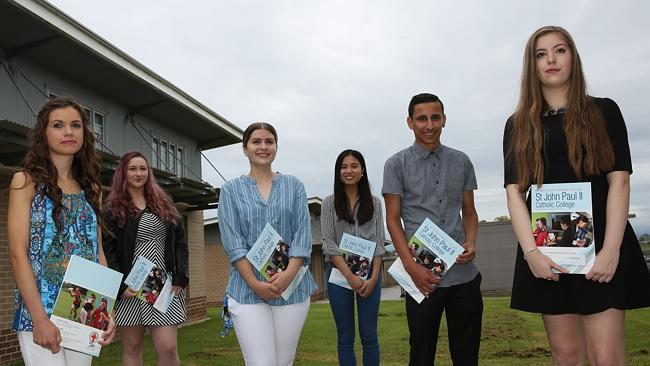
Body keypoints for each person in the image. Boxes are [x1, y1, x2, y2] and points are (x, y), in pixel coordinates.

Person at [503, 25, 650, 365]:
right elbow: (514, 191)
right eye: (541, 54)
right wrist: (531, 253)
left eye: (560, 50)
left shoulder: (604, 111)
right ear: (532, 65)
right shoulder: (518, 124)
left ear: (573, 57)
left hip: (602, 249)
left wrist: (611, 250)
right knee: (566, 354)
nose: (551, 59)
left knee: (606, 356)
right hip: (547, 251)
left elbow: (620, 182)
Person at [8, 97, 115, 365]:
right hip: (39, 312)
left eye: (76, 125)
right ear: (44, 133)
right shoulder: (25, 182)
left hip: (81, 316)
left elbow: (98, 253)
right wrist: (39, 319)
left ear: (85, 134)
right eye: (58, 125)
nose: (69, 131)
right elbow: (18, 254)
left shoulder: (93, 190)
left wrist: (105, 310)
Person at [383, 93, 483, 365]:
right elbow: (393, 220)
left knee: (467, 356)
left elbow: (470, 212)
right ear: (410, 122)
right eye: (422, 119)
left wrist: (471, 240)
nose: (429, 125)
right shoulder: (395, 165)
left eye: (435, 117)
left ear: (444, 120)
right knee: (421, 355)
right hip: (422, 278)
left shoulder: (461, 161)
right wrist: (411, 267)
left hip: (464, 276)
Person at [218, 122, 317, 366]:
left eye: (269, 141)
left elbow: (302, 237)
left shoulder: (294, 186)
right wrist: (254, 283)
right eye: (256, 142)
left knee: (284, 362)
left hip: (291, 290)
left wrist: (287, 277)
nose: (263, 147)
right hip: (246, 290)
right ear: (245, 148)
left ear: (276, 147)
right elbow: (234, 243)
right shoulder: (230, 190)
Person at [103, 150, 189, 366]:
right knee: (132, 349)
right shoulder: (114, 208)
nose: (138, 173)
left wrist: (180, 275)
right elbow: (108, 250)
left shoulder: (163, 203)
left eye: (143, 168)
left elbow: (180, 242)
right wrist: (119, 286)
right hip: (130, 288)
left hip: (162, 285)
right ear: (123, 172)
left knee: (168, 348)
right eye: (132, 168)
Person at [320, 149, 386, 366]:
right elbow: (329, 243)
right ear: (338, 172)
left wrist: (374, 277)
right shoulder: (329, 204)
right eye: (343, 166)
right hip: (339, 274)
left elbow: (379, 242)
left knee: (369, 336)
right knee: (345, 338)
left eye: (354, 166)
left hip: (370, 275)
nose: (349, 170)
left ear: (362, 170)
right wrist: (349, 276)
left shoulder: (375, 203)